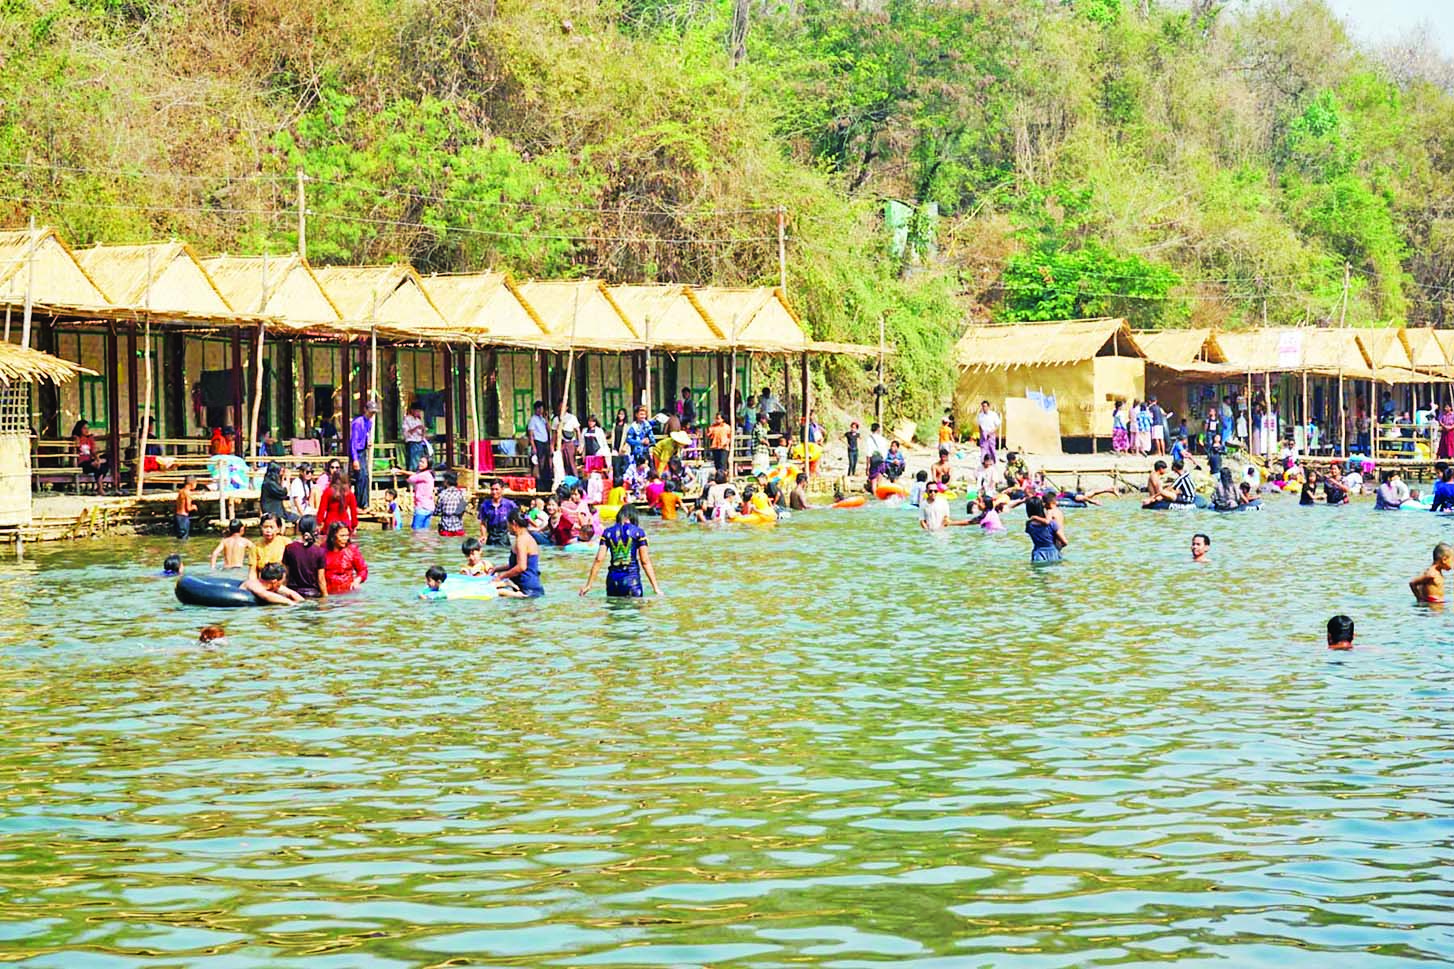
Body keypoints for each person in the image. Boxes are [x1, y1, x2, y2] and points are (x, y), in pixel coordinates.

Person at [580, 503, 661, 598]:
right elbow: (645, 561)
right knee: (636, 607)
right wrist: (656, 588)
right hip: (632, 580)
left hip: (612, 582)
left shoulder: (607, 532)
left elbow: (599, 559)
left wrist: (588, 585)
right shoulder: (638, 532)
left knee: (613, 606)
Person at [494, 509, 544, 598]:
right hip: (531, 587)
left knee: (497, 591)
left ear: (514, 523)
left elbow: (521, 567)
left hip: (527, 590)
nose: (507, 527)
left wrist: (500, 577)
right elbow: (516, 564)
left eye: (508, 524)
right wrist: (496, 569)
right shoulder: (526, 537)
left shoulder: (522, 540)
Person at [282, 514, 327, 599]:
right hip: (313, 594)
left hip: (294, 593)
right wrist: (325, 598)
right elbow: (321, 580)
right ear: (315, 530)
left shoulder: (289, 548)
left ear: (299, 529)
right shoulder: (319, 551)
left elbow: (285, 575)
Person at [322, 522, 368, 594]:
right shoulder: (322, 550)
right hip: (328, 592)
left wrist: (357, 581)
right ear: (332, 537)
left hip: (348, 592)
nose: (345, 538)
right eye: (342, 536)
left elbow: (363, 570)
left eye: (347, 535)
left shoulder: (352, 550)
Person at [349, 400, 377, 507]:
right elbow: (353, 442)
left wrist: (367, 442)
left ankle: (365, 503)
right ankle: (358, 504)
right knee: (360, 477)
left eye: (373, 413)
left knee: (365, 476)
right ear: (365, 410)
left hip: (363, 451)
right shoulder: (358, 422)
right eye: (371, 412)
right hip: (357, 452)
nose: (372, 414)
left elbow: (366, 435)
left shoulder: (369, 423)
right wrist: (355, 459)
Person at [478, 478, 518, 548]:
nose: (494, 492)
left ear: (502, 490)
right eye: (492, 489)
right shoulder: (485, 505)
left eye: (497, 489)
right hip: (491, 537)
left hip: (504, 537)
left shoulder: (509, 504)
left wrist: (518, 535)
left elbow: (518, 520)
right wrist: (483, 535)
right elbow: (483, 523)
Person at [316, 468, 359, 532]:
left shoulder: (327, 492)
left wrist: (319, 523)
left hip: (330, 524)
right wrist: (354, 525)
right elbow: (354, 511)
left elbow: (321, 510)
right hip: (345, 524)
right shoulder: (349, 493)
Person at [1024, 496, 1065, 563]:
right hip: (1054, 554)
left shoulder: (1028, 525)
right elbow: (1065, 542)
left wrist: (1034, 518)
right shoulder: (1052, 524)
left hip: (1038, 554)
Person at [72, 420, 109, 488]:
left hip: (90, 461)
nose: (87, 430)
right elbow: (76, 446)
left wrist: (98, 460)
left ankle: (99, 486)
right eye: (84, 428)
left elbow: (93, 451)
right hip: (81, 463)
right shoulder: (76, 438)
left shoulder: (89, 438)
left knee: (104, 463)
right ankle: (100, 487)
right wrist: (77, 439)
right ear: (79, 429)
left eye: (88, 428)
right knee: (101, 467)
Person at [527, 400, 552, 492]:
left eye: (542, 409)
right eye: (539, 409)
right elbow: (531, 434)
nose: (541, 410)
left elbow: (549, 429)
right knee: (539, 464)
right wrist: (533, 446)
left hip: (545, 442)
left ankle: (547, 484)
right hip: (538, 443)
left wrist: (546, 419)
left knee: (546, 464)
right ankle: (540, 485)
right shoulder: (533, 420)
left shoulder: (542, 419)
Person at [435, 470, 468, 537]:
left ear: (446, 481)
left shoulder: (443, 494)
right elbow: (463, 509)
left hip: (446, 529)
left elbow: (437, 511)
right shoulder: (461, 493)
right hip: (458, 528)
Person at [554, 403, 581, 479]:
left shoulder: (572, 418)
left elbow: (578, 430)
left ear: (567, 407)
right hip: (560, 443)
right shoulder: (556, 419)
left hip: (570, 442)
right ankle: (564, 479)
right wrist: (553, 446)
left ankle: (575, 479)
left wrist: (580, 443)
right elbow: (554, 433)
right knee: (562, 463)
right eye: (560, 406)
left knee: (571, 462)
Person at [402, 403, 428, 471]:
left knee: (419, 459)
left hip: (419, 442)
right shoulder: (407, 419)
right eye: (417, 411)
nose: (418, 413)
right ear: (412, 410)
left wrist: (423, 431)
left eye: (419, 411)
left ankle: (418, 472)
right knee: (413, 460)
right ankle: (412, 472)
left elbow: (421, 433)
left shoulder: (418, 420)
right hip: (412, 442)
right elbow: (407, 432)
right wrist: (417, 427)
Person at [610, 407, 630, 481]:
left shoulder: (627, 426)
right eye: (619, 414)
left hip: (623, 448)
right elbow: (613, 436)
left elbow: (628, 437)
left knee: (623, 466)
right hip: (615, 447)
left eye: (622, 414)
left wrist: (625, 446)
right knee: (616, 465)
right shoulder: (615, 425)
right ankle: (616, 480)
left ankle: (623, 480)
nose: (620, 416)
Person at [175, 475, 197, 539]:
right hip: (184, 518)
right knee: (184, 538)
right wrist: (194, 507)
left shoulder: (181, 491)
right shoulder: (187, 493)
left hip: (177, 517)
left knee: (179, 537)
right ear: (192, 483)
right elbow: (188, 508)